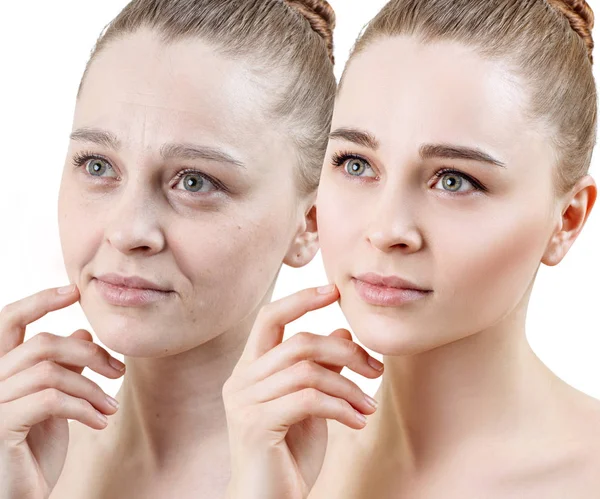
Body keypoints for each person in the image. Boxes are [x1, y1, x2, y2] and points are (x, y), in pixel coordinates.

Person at [224, 0, 600, 497]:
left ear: (567, 221)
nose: (387, 229)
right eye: (356, 164)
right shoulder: (275, 457)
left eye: (454, 180)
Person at [0, 1, 341, 498]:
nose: (127, 230)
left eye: (195, 181)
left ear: (309, 222)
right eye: (97, 166)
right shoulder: (18, 457)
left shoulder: (387, 480)